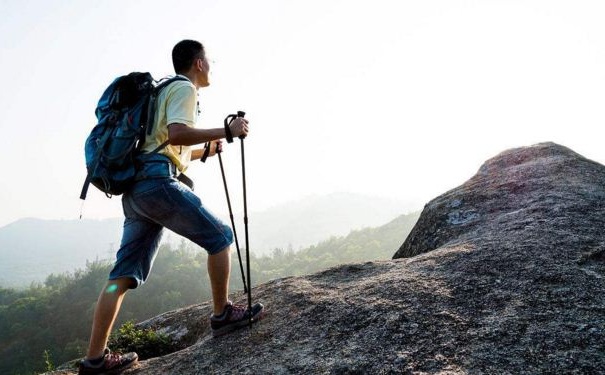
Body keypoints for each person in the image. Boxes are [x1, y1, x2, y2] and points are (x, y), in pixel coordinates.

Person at [78, 39, 264, 375]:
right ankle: (222, 315)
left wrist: (205, 150)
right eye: (209, 60)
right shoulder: (184, 88)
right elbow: (178, 134)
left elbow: (164, 145)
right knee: (220, 236)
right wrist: (227, 129)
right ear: (199, 63)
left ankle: (94, 359)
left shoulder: (160, 91)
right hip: (155, 183)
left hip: (136, 190)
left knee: (122, 275)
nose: (211, 66)